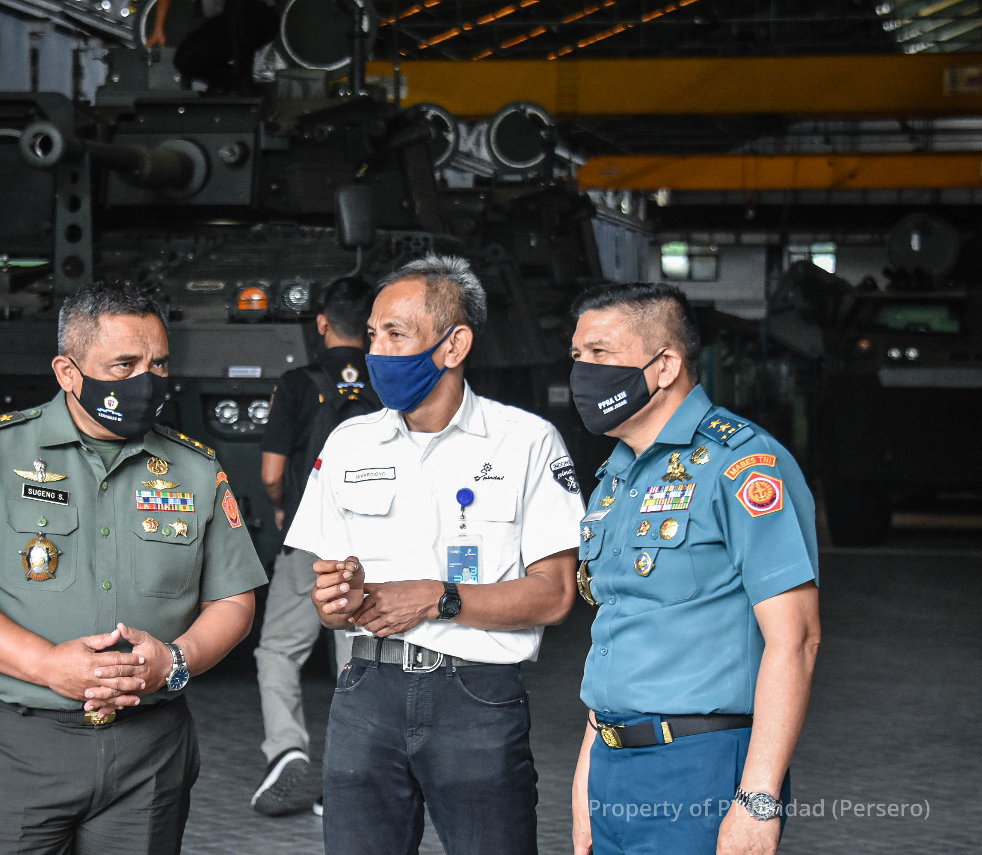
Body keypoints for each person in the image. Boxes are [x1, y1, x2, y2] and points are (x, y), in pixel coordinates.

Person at [0, 280, 266, 853]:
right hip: (15, 746)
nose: (146, 381)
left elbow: (233, 600)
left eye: (158, 363)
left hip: (149, 753)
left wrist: (174, 662)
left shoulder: (195, 469)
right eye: (124, 364)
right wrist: (47, 665)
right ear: (68, 372)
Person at [290, 254, 584, 854]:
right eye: (372, 334)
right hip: (366, 691)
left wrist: (437, 598)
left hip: (476, 696)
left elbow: (555, 596)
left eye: (396, 334)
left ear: (454, 346)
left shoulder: (527, 442)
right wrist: (336, 600)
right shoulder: (348, 444)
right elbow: (329, 606)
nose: (376, 352)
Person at [566, 282, 821, 855]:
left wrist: (759, 799)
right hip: (612, 761)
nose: (583, 371)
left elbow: (797, 638)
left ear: (666, 366)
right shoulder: (617, 476)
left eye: (601, 353)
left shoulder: (744, 464)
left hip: (700, 766)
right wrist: (587, 775)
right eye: (578, 354)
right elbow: (619, 628)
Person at [251, 277, 377, 817]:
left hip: (312, 536)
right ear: (371, 327)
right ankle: (354, 772)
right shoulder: (389, 380)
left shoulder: (297, 384)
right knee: (359, 656)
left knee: (279, 650)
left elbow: (271, 471)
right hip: (374, 544)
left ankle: (287, 749)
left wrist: (284, 507)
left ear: (321, 323)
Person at [145, 0, 278, 96]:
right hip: (227, 22)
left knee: (238, 6)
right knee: (185, 59)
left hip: (260, 18)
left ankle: (244, 83)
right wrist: (158, 28)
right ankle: (228, 82)